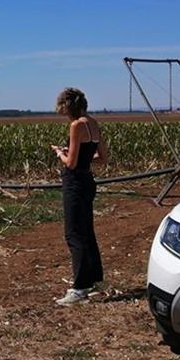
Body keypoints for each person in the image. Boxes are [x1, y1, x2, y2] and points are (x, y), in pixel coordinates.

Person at [50, 88, 108, 306]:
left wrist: (60, 153)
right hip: (88, 182)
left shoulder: (76, 125)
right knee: (87, 231)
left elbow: (71, 164)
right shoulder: (93, 123)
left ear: (68, 107)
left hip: (74, 183)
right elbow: (102, 158)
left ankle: (80, 288)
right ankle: (93, 279)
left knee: (73, 233)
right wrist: (78, 155)